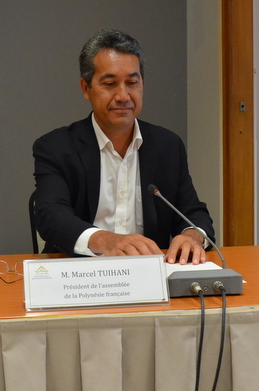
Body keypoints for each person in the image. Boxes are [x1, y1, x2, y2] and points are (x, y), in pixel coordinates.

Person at [32, 29, 214, 264]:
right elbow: (51, 216)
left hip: (150, 273)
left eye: (132, 83)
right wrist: (106, 240)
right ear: (86, 88)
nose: (123, 95)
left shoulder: (167, 145)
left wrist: (193, 236)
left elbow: (192, 211)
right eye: (109, 83)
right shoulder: (56, 147)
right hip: (77, 270)